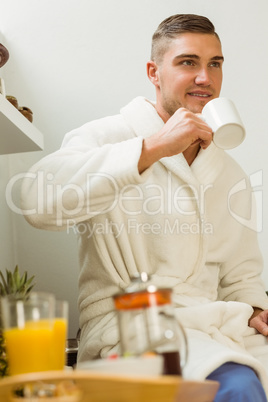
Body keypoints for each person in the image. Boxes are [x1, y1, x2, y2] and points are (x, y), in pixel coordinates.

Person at [21, 14, 268, 401]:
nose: (205, 77)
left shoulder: (228, 170)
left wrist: (255, 307)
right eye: (189, 62)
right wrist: (152, 149)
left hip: (219, 325)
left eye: (215, 64)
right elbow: (35, 203)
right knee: (236, 385)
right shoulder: (109, 136)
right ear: (154, 73)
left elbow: (241, 275)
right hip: (131, 327)